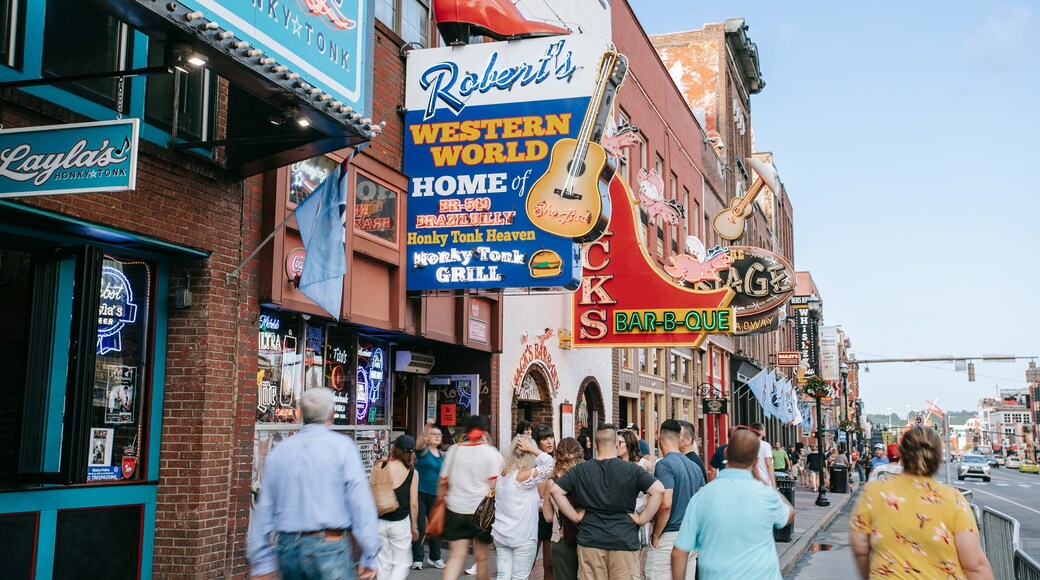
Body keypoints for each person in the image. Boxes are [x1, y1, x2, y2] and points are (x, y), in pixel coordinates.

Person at [247, 388, 381, 580]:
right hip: (329, 547)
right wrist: (370, 553)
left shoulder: (280, 451)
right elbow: (360, 503)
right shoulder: (342, 447)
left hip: (287, 548)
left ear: (300, 413)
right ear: (331, 413)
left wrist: (261, 560)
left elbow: (265, 507)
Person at [849, 426, 993, 580]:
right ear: (938, 458)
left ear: (901, 454)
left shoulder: (874, 493)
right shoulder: (953, 499)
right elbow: (974, 565)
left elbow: (860, 549)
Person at [670, 428, 795, 580]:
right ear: (755, 461)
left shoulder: (702, 496)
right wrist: (761, 480)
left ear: (725, 453)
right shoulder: (766, 495)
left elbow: (679, 552)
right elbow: (789, 513)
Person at [550, 424, 665, 579]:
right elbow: (658, 490)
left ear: (596, 444)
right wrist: (642, 519)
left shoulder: (581, 470)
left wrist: (575, 517)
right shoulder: (632, 470)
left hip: (590, 540)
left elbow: (555, 490)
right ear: (616, 443)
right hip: (623, 540)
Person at [440, 415, 502, 580]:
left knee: (456, 557)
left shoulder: (454, 450)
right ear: (483, 431)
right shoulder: (490, 453)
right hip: (480, 513)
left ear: (466, 431)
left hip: (455, 509)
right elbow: (495, 484)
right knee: (482, 559)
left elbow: (443, 481)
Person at [645, 420, 704, 580]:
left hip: (670, 537)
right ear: (678, 438)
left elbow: (665, 505)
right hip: (691, 537)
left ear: (659, 437)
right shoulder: (694, 466)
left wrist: (656, 535)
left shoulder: (664, 465)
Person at [492, 435, 555, 579]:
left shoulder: (502, 475)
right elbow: (550, 464)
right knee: (520, 577)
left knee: (503, 578)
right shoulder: (523, 477)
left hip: (501, 535)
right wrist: (533, 449)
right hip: (523, 538)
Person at [375, 435, 419, 580]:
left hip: (380, 520)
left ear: (395, 448)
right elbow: (413, 503)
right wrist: (415, 526)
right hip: (400, 523)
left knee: (382, 562)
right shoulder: (413, 472)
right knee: (401, 562)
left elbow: (372, 492)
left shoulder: (380, 465)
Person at [542, 438, 584, 580]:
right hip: (586, 535)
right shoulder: (585, 478)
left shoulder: (552, 481)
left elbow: (548, 517)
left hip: (561, 537)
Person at [619, 428, 654, 575]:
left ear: (628, 444)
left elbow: (652, 493)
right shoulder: (615, 464)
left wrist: (643, 514)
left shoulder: (643, 465)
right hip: (619, 515)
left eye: (620, 442)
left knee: (636, 561)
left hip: (637, 513)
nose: (616, 445)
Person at [413, 419, 445, 570]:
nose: (437, 436)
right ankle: (418, 559)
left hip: (436, 495)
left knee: (436, 527)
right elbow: (420, 440)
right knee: (419, 525)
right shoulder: (422, 450)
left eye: (439, 434)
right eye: (434, 434)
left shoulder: (442, 455)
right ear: (428, 437)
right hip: (419, 493)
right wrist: (427, 426)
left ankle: (435, 557)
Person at [533, 426, 557, 580]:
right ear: (537, 442)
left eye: (551, 437)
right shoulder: (532, 463)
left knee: (549, 564)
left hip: (550, 517)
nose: (549, 441)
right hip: (534, 516)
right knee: (528, 561)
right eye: (544, 438)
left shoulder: (557, 463)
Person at [751, 423, 776, 487]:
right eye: (764, 430)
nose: (765, 432)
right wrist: (773, 483)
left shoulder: (747, 444)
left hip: (751, 480)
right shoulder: (765, 445)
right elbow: (769, 465)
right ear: (760, 432)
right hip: (764, 481)